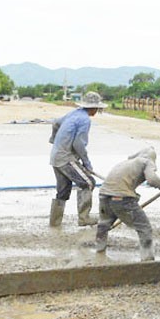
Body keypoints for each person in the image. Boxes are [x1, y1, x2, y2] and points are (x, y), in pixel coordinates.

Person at [95, 147, 160, 261]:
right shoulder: (147, 162)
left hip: (104, 195)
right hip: (122, 198)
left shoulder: (125, 163)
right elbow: (152, 179)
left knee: (104, 224)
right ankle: (147, 260)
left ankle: (99, 253)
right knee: (145, 228)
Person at [49, 91, 107, 227]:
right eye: (97, 109)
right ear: (93, 108)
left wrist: (55, 140)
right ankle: (84, 218)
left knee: (63, 191)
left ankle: (54, 223)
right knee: (88, 183)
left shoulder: (74, 113)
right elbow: (78, 144)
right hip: (66, 158)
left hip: (56, 156)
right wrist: (87, 164)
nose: (97, 111)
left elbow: (56, 123)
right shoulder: (85, 120)